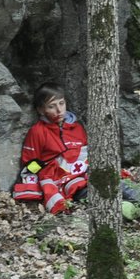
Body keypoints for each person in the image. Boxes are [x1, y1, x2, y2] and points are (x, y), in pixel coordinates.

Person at [15, 83, 90, 215]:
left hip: (85, 174)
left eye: (61, 103)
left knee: (120, 187)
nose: (59, 110)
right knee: (93, 195)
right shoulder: (37, 132)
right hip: (62, 182)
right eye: (51, 106)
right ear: (41, 110)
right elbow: (29, 164)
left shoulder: (77, 128)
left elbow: (86, 154)